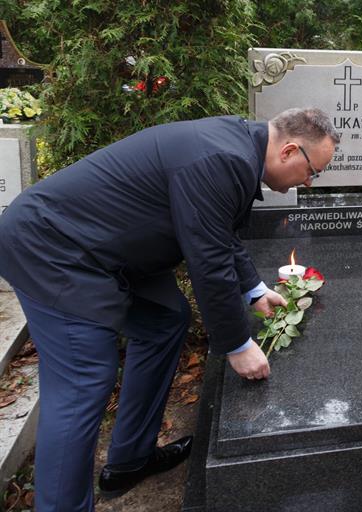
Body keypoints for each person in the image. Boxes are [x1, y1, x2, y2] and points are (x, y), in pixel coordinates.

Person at [0, 108, 339, 511]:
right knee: (83, 379)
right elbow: (208, 261)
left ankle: (130, 460)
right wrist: (237, 345)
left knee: (165, 320)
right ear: (288, 151)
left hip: (104, 251)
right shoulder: (221, 158)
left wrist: (254, 290)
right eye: (312, 172)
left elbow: (218, 231)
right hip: (53, 249)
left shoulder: (237, 148)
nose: (309, 182)